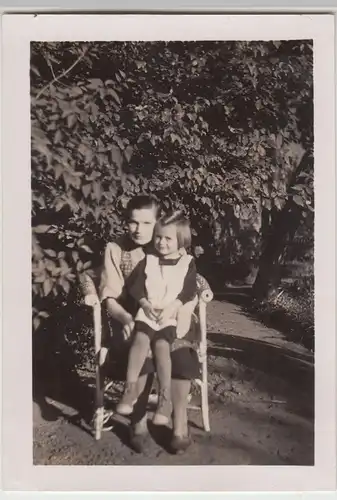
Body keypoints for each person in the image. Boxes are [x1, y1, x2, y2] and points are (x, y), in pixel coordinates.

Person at [98, 195, 200, 453]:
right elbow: (109, 296)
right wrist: (125, 318)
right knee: (141, 352)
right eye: (133, 222)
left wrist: (186, 308)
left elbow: (191, 280)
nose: (138, 229)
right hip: (132, 320)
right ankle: (138, 419)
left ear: (158, 223)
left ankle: (178, 422)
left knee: (181, 352)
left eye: (146, 223)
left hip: (168, 319)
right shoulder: (116, 249)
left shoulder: (166, 244)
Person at [116, 212, 197, 426]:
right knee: (140, 340)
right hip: (148, 312)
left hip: (169, 315)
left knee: (162, 346)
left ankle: (165, 399)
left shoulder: (187, 263)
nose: (161, 242)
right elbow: (136, 286)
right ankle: (130, 389)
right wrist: (144, 303)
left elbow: (189, 290)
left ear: (181, 241)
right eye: (158, 237)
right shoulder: (148, 261)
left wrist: (174, 306)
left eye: (168, 238)